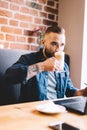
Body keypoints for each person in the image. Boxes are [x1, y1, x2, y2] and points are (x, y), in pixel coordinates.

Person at [4, 26, 87, 102]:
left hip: (57, 109)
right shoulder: (29, 59)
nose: (58, 49)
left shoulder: (64, 66)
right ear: (43, 43)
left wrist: (82, 92)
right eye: (54, 44)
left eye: (62, 45)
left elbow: (69, 90)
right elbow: (9, 76)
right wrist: (42, 66)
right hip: (33, 111)